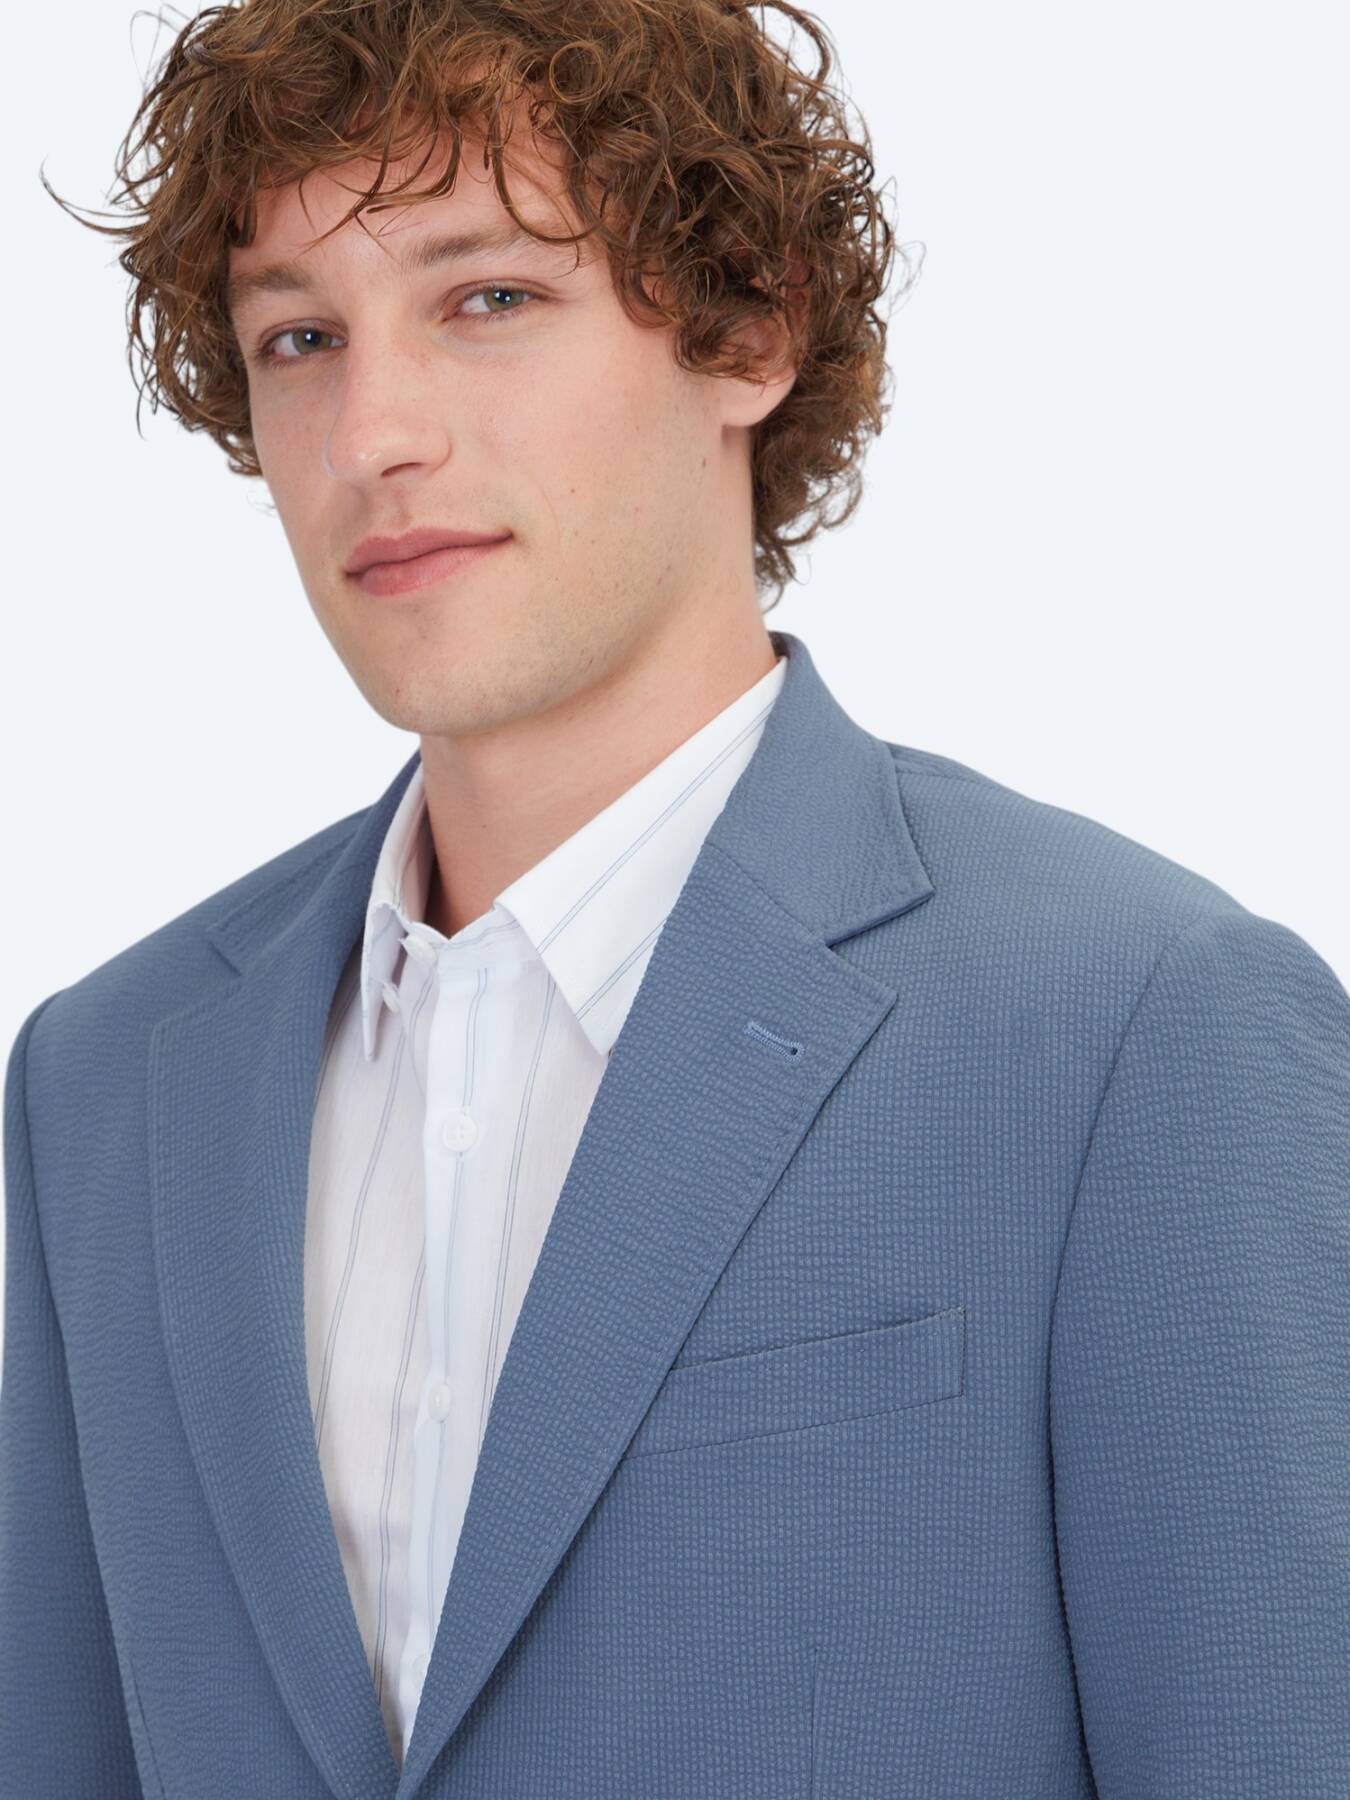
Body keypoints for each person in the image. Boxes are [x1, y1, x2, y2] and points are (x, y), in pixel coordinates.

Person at [3, 1, 1347, 1795]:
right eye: (299, 335)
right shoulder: (105, 1082)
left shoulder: (1136, 1029)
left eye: (489, 297)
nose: (370, 431)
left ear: (747, 329)